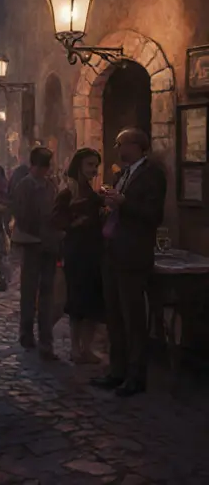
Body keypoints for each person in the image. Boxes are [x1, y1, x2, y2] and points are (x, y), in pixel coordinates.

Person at [91, 128, 167, 398]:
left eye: (121, 143)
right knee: (114, 316)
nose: (118, 148)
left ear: (137, 146)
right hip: (113, 252)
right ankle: (117, 370)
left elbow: (153, 214)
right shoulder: (122, 174)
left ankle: (136, 376)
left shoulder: (151, 174)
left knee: (133, 317)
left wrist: (124, 203)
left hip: (133, 255)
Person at [54, 148, 106, 365]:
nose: (93, 169)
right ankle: (75, 348)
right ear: (79, 166)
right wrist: (77, 222)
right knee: (77, 301)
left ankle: (87, 348)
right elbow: (57, 220)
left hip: (95, 252)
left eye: (96, 165)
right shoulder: (69, 192)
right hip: (76, 252)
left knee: (93, 302)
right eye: (89, 165)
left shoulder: (93, 193)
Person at [10, 146, 61, 359]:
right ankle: (26, 333)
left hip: (49, 245)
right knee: (29, 292)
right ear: (34, 166)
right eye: (42, 166)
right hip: (32, 244)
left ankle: (46, 339)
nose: (45, 171)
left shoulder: (51, 186)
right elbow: (21, 214)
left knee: (48, 294)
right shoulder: (24, 186)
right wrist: (41, 226)